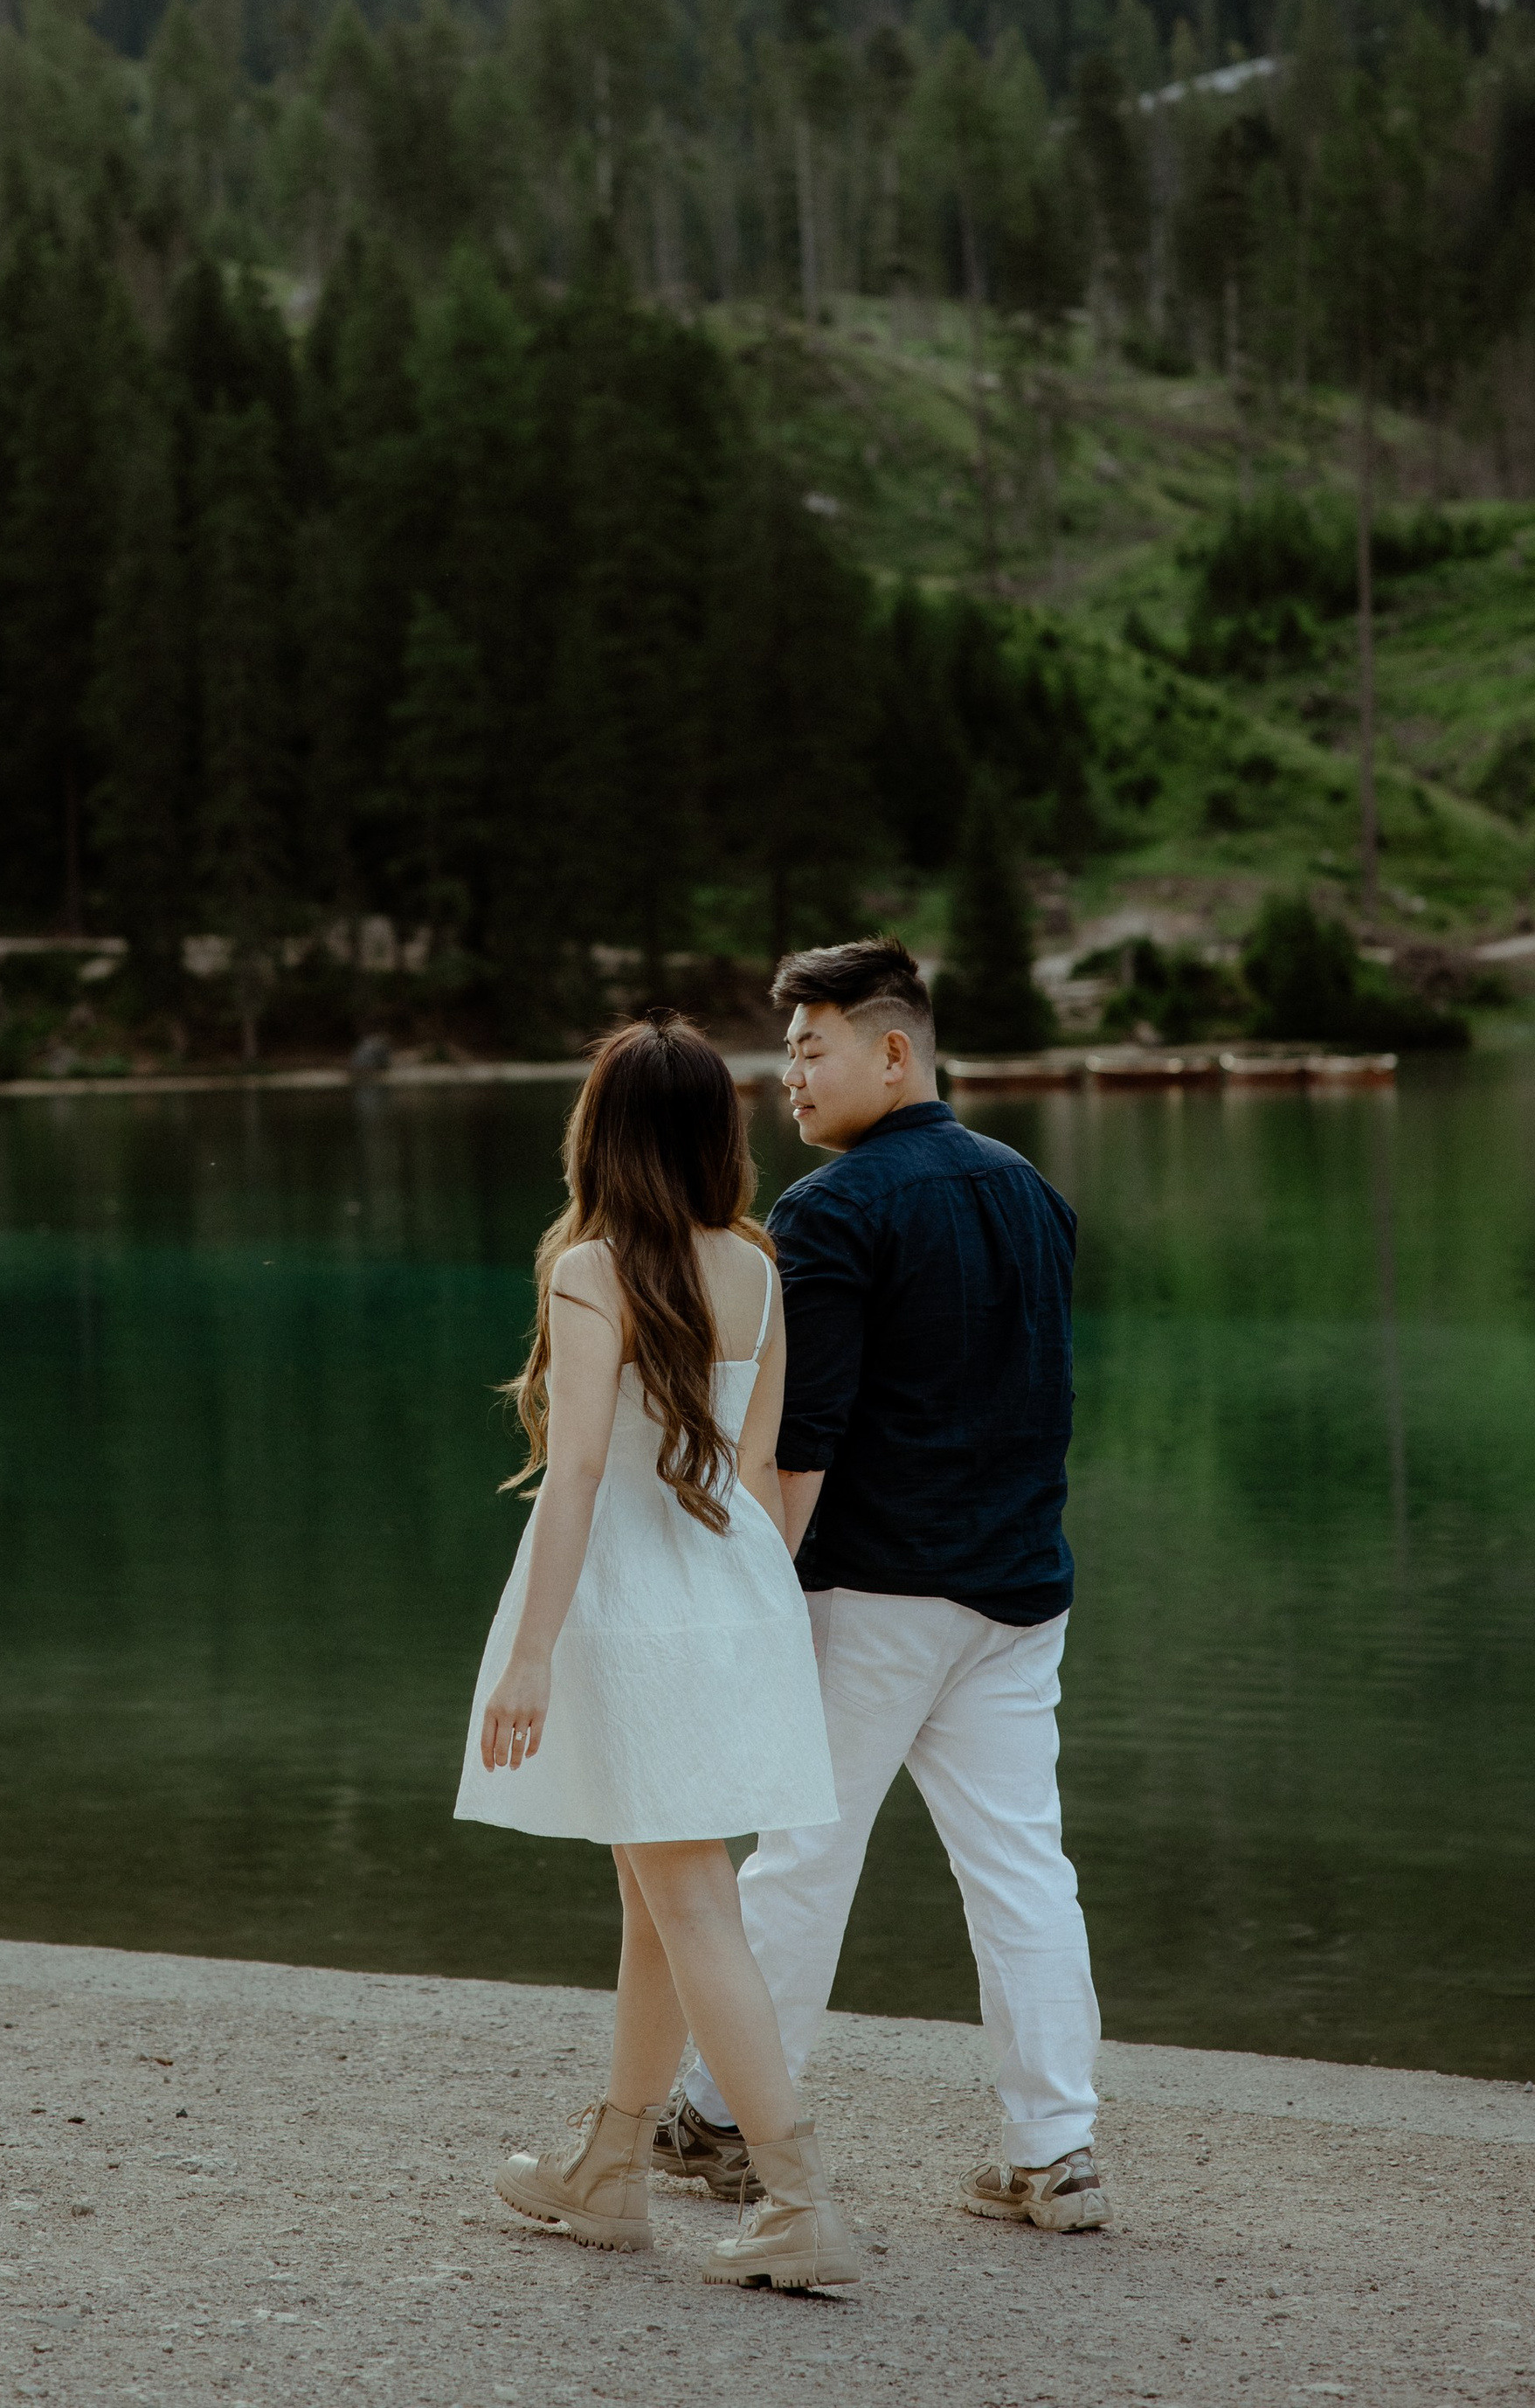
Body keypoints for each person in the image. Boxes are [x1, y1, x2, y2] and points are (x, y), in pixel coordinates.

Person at [660, 937, 1110, 2234]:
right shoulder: (1031, 1190)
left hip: (872, 1588)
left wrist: (746, 1593)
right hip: (1021, 1590)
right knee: (1022, 1864)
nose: (787, 1078)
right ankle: (1054, 2150)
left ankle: (724, 2116)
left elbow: (804, 1436)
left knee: (801, 1856)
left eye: (811, 1047)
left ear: (893, 1048)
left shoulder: (831, 1211)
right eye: (784, 1051)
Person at [455, 1014, 859, 2289]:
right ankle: (612, 2166)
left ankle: (797, 2200)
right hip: (736, 1585)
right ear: (712, 1137)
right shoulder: (756, 1264)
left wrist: (529, 1655)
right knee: (657, 1895)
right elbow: (756, 1473)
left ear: (601, 1132)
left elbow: (576, 1476)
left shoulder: (592, 1268)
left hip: (629, 1598)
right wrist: (758, 1624)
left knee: (689, 1897)